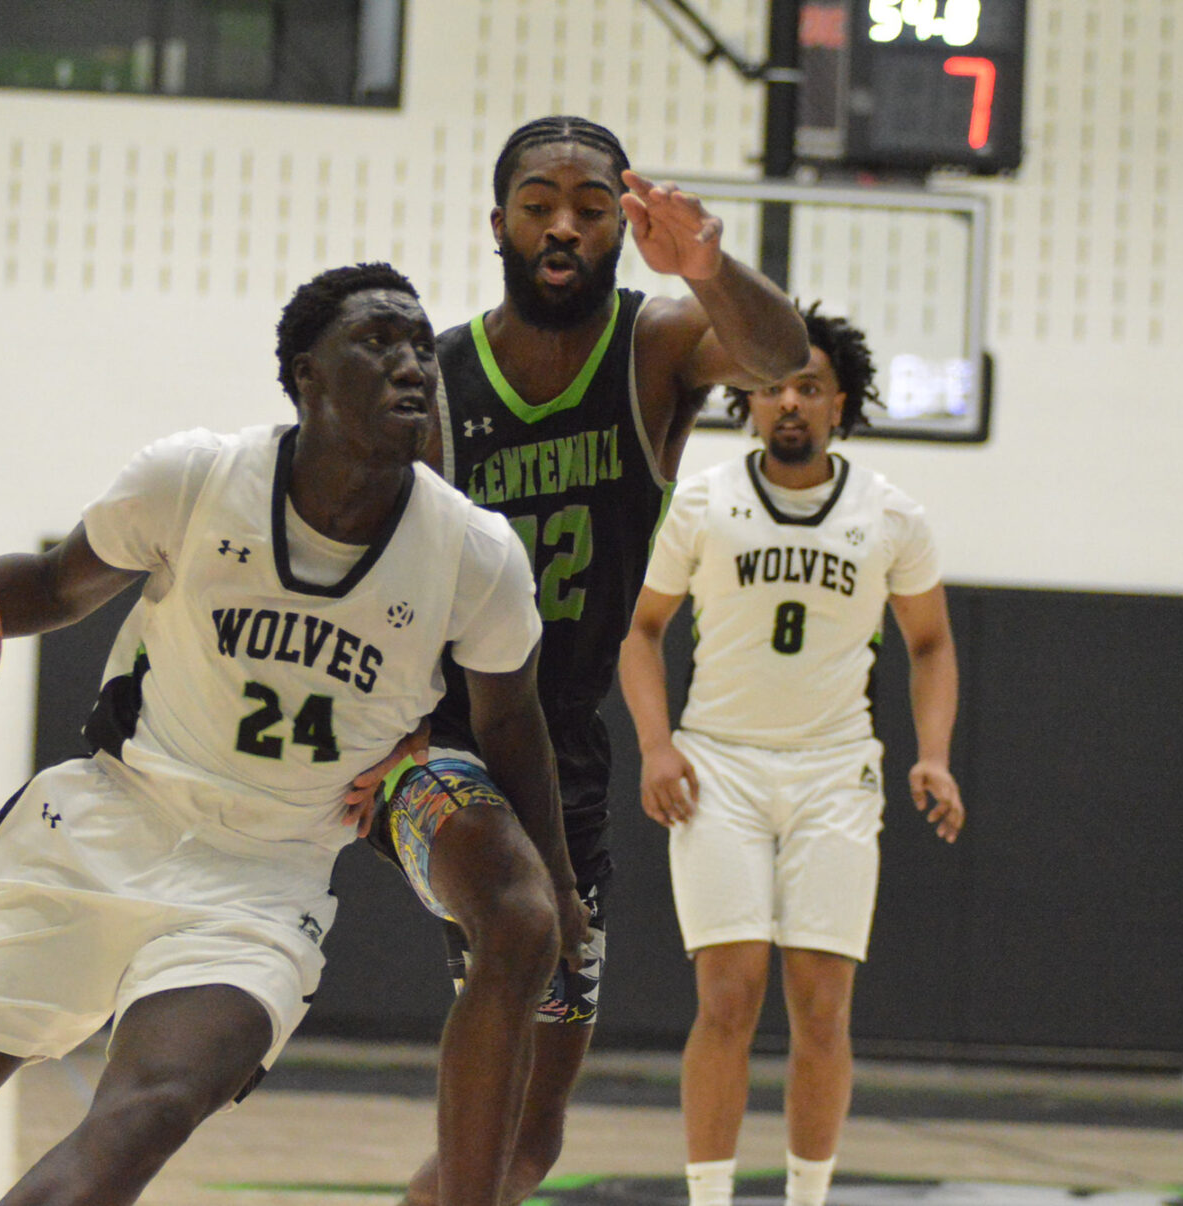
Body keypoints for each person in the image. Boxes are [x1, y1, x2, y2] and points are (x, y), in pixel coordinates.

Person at [0, 262, 586, 1206]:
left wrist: (557, 882)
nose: (411, 364)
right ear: (306, 375)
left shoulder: (475, 554)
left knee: (145, 1115)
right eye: (377, 341)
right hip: (106, 830)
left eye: (418, 344)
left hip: (261, 889)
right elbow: (52, 585)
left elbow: (510, 721)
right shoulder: (195, 478)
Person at [360, 115, 812, 1206]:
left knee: (528, 1137)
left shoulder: (655, 343)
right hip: (440, 742)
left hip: (567, 761)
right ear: (499, 223)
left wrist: (706, 267)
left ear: (622, 221)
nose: (563, 224)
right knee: (520, 912)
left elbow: (780, 356)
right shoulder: (441, 379)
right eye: (538, 203)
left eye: (591, 204)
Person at [615, 303, 966, 1206]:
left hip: (835, 773)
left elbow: (930, 644)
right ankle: (709, 1198)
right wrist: (656, 747)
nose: (789, 404)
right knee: (728, 998)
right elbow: (640, 632)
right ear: (746, 401)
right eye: (771, 387)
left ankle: (808, 1199)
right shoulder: (702, 502)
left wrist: (934, 755)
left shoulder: (893, 516)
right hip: (719, 770)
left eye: (808, 386)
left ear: (840, 402)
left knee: (822, 1010)